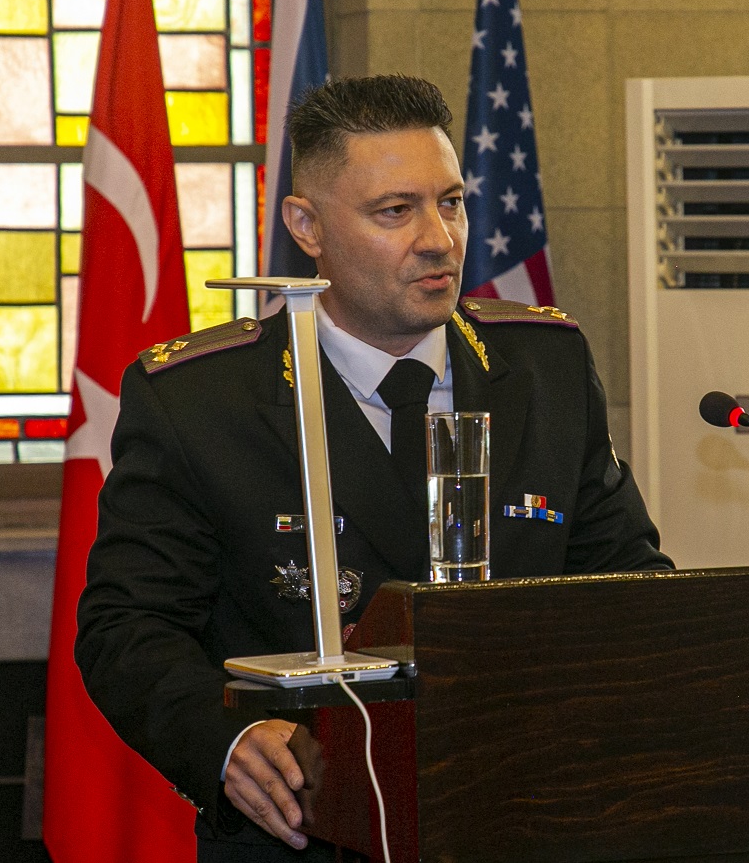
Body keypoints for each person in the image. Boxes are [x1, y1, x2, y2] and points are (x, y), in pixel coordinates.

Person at [75, 74, 671, 862]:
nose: (439, 238)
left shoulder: (543, 366)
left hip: (527, 811)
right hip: (311, 824)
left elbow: (629, 584)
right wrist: (229, 738)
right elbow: (127, 628)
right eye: (395, 211)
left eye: (451, 202)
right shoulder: (201, 399)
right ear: (306, 225)